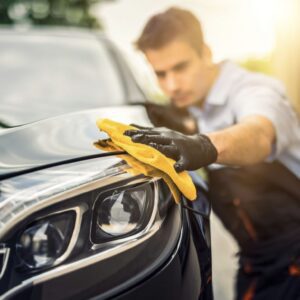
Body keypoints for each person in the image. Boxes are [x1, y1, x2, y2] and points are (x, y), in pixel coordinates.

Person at [124, 7, 300, 300]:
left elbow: (258, 133)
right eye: (160, 74)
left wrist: (204, 146)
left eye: (180, 68)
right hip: (256, 263)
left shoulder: (254, 90)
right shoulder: (192, 108)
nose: (172, 85)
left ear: (205, 52)